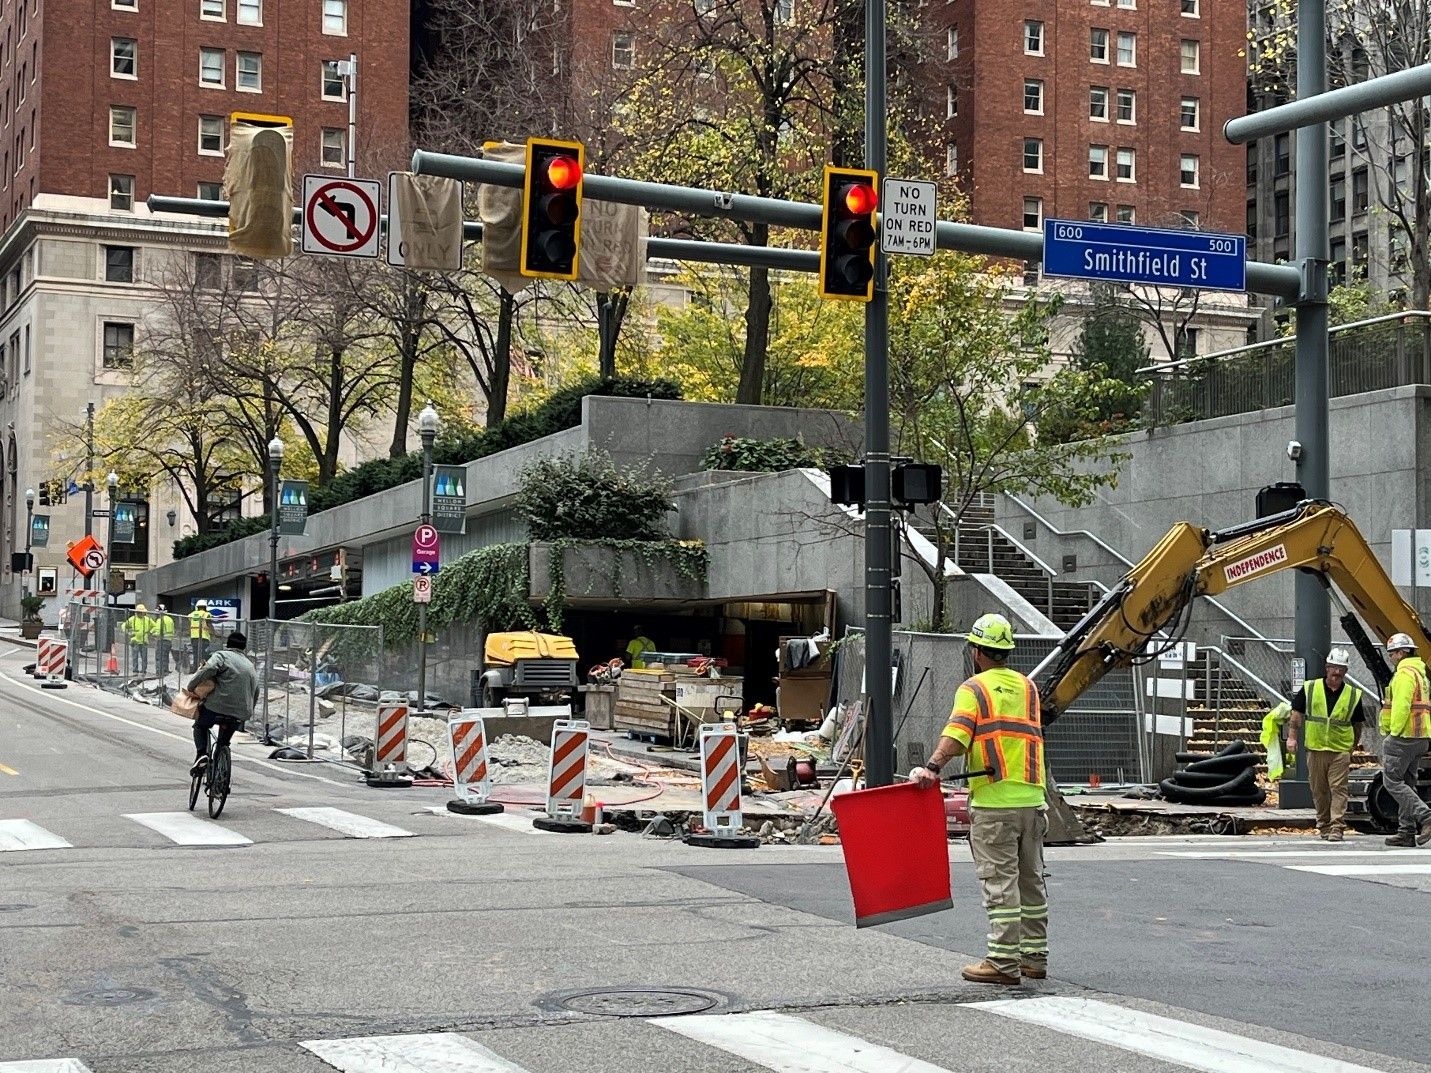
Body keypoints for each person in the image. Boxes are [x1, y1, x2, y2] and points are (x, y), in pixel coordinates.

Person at [911, 612, 1047, 985]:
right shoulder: (1029, 688)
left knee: (999, 882)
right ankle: (1034, 956)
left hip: (995, 802)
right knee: (1030, 880)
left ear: (976, 651)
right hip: (1033, 799)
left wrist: (933, 767)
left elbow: (957, 734)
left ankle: (1002, 963)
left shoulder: (973, 689)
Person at [1285, 647, 1365, 841]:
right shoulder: (1310, 688)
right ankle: (1324, 824)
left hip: (1340, 749)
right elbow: (1296, 714)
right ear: (1327, 667)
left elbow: (1357, 724)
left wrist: (1352, 746)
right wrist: (1292, 737)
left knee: (1338, 788)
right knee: (1319, 790)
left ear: (1345, 671)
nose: (1336, 672)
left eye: (1341, 669)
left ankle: (1337, 827)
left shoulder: (1354, 695)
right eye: (1333, 667)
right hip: (1316, 747)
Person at [1378, 633, 1431, 847]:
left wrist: (1394, 733)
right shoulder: (1420, 674)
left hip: (1404, 736)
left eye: (1392, 653)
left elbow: (1401, 706)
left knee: (1391, 781)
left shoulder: (1404, 675)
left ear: (1402, 653)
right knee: (1408, 783)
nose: (1390, 657)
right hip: (1420, 737)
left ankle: (1426, 816)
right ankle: (1406, 831)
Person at [185, 630, 259, 778]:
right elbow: (256, 691)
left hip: (216, 707)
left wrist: (192, 685)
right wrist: (248, 711)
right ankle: (221, 778)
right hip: (240, 712)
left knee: (200, 726)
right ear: (244, 648)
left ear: (227, 644)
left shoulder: (221, 655)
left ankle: (202, 755)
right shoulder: (250, 665)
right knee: (223, 742)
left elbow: (209, 668)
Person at [122, 603, 152, 676]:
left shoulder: (147, 619)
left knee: (144, 657)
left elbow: (154, 626)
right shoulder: (133, 619)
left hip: (144, 641)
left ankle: (143, 671)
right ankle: (135, 670)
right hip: (135, 641)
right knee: (135, 657)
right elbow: (124, 626)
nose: (142, 614)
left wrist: (150, 632)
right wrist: (128, 633)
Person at [152, 604, 176, 679]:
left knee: (159, 657)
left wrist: (153, 634)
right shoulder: (170, 619)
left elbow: (159, 632)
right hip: (169, 640)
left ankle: (159, 672)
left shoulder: (160, 620)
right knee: (165, 657)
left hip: (161, 640)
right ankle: (165, 671)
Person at [189, 599, 213, 669]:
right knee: (204, 654)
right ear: (205, 607)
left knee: (196, 654)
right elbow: (209, 625)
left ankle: (195, 668)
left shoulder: (191, 614)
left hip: (194, 637)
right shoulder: (206, 614)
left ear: (197, 607)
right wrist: (215, 634)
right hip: (204, 637)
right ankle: (203, 668)